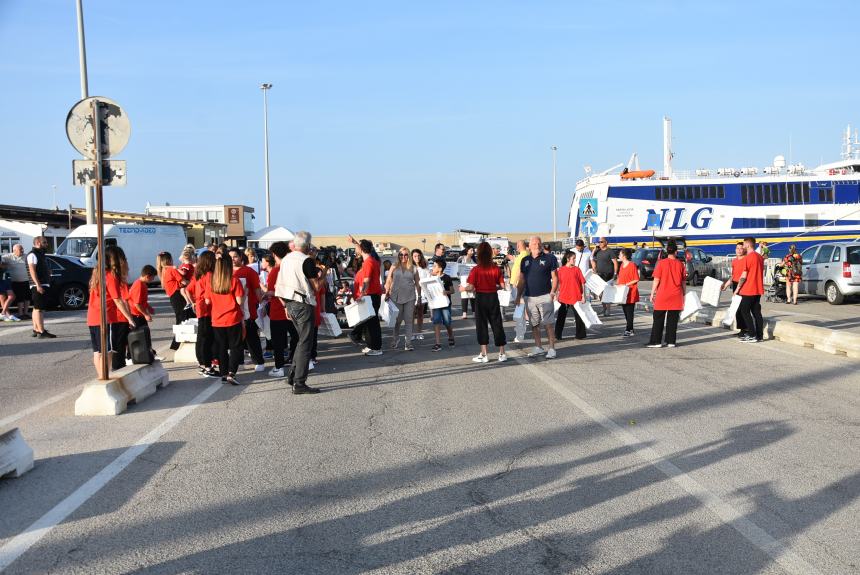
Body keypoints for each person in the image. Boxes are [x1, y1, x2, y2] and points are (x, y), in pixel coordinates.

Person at [275, 231, 324, 394]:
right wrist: (323, 274)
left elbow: (278, 285)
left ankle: (293, 375)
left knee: (300, 340)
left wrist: (285, 306)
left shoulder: (286, 259)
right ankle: (299, 382)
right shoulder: (306, 261)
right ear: (308, 246)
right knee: (305, 343)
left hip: (288, 302)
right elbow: (316, 287)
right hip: (303, 303)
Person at [86, 245, 136, 378]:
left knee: (97, 351)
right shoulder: (110, 276)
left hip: (93, 317)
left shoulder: (97, 273)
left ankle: (101, 376)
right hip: (106, 317)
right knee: (108, 351)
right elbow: (117, 299)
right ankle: (105, 376)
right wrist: (130, 319)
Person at [461, 242, 507, 363]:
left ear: (479, 254)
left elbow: (470, 287)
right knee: (497, 324)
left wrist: (463, 288)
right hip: (493, 297)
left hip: (480, 298)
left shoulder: (476, 269)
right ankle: (502, 353)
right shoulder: (495, 268)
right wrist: (493, 287)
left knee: (481, 325)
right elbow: (502, 285)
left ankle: (484, 354)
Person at [514, 236, 559, 359]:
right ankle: (538, 347)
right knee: (534, 324)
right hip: (529, 297)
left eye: (539, 243)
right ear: (529, 246)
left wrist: (553, 293)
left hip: (545, 296)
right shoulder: (525, 260)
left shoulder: (550, 258)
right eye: (534, 243)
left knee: (548, 324)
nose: (537, 245)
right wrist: (518, 296)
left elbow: (555, 277)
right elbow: (522, 279)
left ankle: (551, 348)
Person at [205, 256, 245, 385]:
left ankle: (223, 373)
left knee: (221, 347)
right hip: (233, 317)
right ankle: (232, 372)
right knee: (236, 346)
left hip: (217, 319)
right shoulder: (234, 280)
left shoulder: (211, 282)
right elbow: (239, 301)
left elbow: (207, 301)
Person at [230, 248, 266, 373]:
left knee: (251, 337)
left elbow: (257, 290)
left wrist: (261, 304)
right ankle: (238, 361)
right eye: (230, 257)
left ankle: (259, 361)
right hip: (232, 311)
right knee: (236, 338)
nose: (233, 259)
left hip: (248, 310)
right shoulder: (226, 272)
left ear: (241, 257)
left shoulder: (249, 271)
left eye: (235, 256)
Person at [266, 242, 298, 378]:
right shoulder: (292, 268)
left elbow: (273, 291)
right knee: (296, 337)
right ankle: (298, 361)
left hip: (278, 310)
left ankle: (279, 367)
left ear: (274, 254)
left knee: (278, 342)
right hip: (294, 308)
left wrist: (266, 294)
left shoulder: (275, 271)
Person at [347, 239, 383, 356]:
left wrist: (361, 294)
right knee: (369, 323)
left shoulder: (368, 262)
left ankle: (376, 348)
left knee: (373, 324)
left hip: (370, 295)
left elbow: (366, 281)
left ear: (362, 249)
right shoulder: (372, 260)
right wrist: (355, 242)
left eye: (358, 248)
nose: (356, 249)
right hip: (373, 295)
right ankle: (371, 346)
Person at [646, 239, 685, 348]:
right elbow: (683, 283)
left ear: (667, 251)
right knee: (672, 320)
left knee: (658, 318)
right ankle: (671, 341)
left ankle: (656, 341)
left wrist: (652, 293)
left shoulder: (661, 263)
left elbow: (656, 280)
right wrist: (684, 295)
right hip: (676, 295)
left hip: (663, 294)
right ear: (676, 252)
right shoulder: (680, 264)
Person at [187, 252, 217, 377]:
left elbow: (188, 289)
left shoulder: (198, 274)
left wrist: (193, 302)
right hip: (207, 309)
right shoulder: (209, 275)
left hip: (200, 307)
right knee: (206, 338)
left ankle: (202, 363)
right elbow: (209, 295)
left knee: (201, 337)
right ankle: (207, 366)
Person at [384, 248, 420, 351]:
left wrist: (420, 297)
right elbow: (389, 279)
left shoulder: (413, 268)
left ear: (408, 256)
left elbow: (417, 283)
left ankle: (408, 343)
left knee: (409, 320)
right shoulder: (394, 266)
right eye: (401, 254)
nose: (403, 257)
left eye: (405, 255)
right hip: (396, 296)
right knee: (397, 320)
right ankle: (395, 339)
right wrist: (387, 292)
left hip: (410, 297)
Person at [735, 237, 765, 343]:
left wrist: (737, 289)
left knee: (744, 311)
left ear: (748, 245)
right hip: (758, 289)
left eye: (743, 245)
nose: (742, 247)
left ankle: (751, 334)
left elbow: (744, 275)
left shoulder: (748, 258)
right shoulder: (760, 258)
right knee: (757, 313)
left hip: (748, 289)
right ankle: (759, 336)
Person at [127, 264, 159, 362]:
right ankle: (133, 356)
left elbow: (142, 301)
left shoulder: (142, 284)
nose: (153, 280)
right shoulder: (139, 285)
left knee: (144, 335)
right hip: (136, 315)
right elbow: (137, 304)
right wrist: (146, 314)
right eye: (153, 277)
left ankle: (148, 353)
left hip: (138, 314)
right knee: (140, 336)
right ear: (147, 276)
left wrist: (149, 308)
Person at [554, 250, 587, 341]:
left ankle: (580, 335)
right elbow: (558, 284)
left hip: (576, 296)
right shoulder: (561, 270)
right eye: (573, 258)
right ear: (568, 259)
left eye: (575, 259)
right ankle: (557, 335)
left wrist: (583, 296)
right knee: (561, 317)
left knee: (579, 316)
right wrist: (556, 294)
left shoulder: (577, 269)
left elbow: (582, 283)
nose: (575, 260)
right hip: (563, 297)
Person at [26, 236, 55, 338]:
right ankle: (41, 331)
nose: (46, 244)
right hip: (38, 284)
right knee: (39, 309)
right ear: (38, 243)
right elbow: (32, 270)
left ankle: (36, 328)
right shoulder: (33, 254)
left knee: (36, 308)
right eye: (44, 242)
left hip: (41, 283)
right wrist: (38, 284)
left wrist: (47, 271)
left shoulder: (39, 254)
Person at [157, 251, 186, 350]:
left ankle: (176, 343)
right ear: (169, 260)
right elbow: (183, 281)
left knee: (179, 318)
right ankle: (176, 343)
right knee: (182, 319)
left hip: (173, 297)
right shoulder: (171, 270)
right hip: (177, 295)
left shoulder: (163, 271)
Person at [721, 242, 748, 337]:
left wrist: (738, 289)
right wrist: (726, 285)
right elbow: (733, 276)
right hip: (736, 284)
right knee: (736, 308)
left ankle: (746, 329)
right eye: (737, 248)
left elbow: (744, 276)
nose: (739, 250)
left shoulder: (746, 260)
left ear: (744, 249)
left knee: (743, 308)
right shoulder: (734, 261)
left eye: (741, 248)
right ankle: (741, 329)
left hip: (743, 284)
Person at [430, 258, 455, 351]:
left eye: (435, 266)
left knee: (447, 322)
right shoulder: (431, 278)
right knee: (436, 322)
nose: (433, 267)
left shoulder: (447, 277)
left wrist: (446, 292)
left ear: (440, 269)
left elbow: (453, 290)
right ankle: (437, 343)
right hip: (436, 304)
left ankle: (451, 336)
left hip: (445, 304)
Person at [508, 239, 529, 342]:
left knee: (519, 310)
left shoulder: (524, 255)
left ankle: (520, 335)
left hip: (519, 285)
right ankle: (519, 333)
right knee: (519, 310)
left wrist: (517, 284)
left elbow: (521, 272)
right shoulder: (521, 255)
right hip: (516, 285)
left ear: (521, 246)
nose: (516, 247)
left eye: (517, 245)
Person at [591, 237, 618, 317]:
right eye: (599, 242)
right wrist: (594, 249)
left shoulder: (610, 251)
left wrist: (615, 273)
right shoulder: (598, 251)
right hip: (599, 275)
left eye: (601, 242)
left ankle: (608, 310)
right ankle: (604, 308)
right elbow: (592, 258)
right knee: (600, 293)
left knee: (607, 293)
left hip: (608, 275)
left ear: (606, 242)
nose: (600, 243)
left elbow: (615, 263)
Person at [617, 248, 641, 336]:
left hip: (631, 292)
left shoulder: (632, 265)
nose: (619, 256)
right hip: (623, 292)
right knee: (625, 311)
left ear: (624, 256)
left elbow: (636, 279)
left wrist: (626, 284)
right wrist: (618, 285)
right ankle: (630, 328)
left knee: (629, 312)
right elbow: (620, 278)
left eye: (620, 254)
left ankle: (628, 329)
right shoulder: (622, 265)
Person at [2, 244, 30, 319]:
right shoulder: (8, 257)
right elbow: (1, 261)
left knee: (27, 298)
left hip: (27, 280)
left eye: (22, 249)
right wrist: (3, 265)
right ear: (14, 251)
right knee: (19, 298)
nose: (22, 251)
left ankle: (26, 313)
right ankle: (20, 314)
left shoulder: (26, 256)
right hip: (15, 281)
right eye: (20, 249)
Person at [411, 249, 431, 339]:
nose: (417, 258)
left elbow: (429, 278)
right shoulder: (410, 267)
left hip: (422, 292)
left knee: (420, 313)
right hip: (411, 292)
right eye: (415, 256)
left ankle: (419, 332)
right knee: (411, 313)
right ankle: (410, 333)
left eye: (419, 256)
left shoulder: (425, 266)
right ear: (412, 257)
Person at [457, 247, 476, 318]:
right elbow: (457, 269)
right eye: (471, 250)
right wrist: (459, 281)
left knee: (473, 296)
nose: (473, 251)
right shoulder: (461, 259)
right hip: (463, 279)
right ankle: (464, 313)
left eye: (473, 250)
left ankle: (474, 312)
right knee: (464, 295)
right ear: (467, 251)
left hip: (471, 279)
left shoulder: (474, 259)